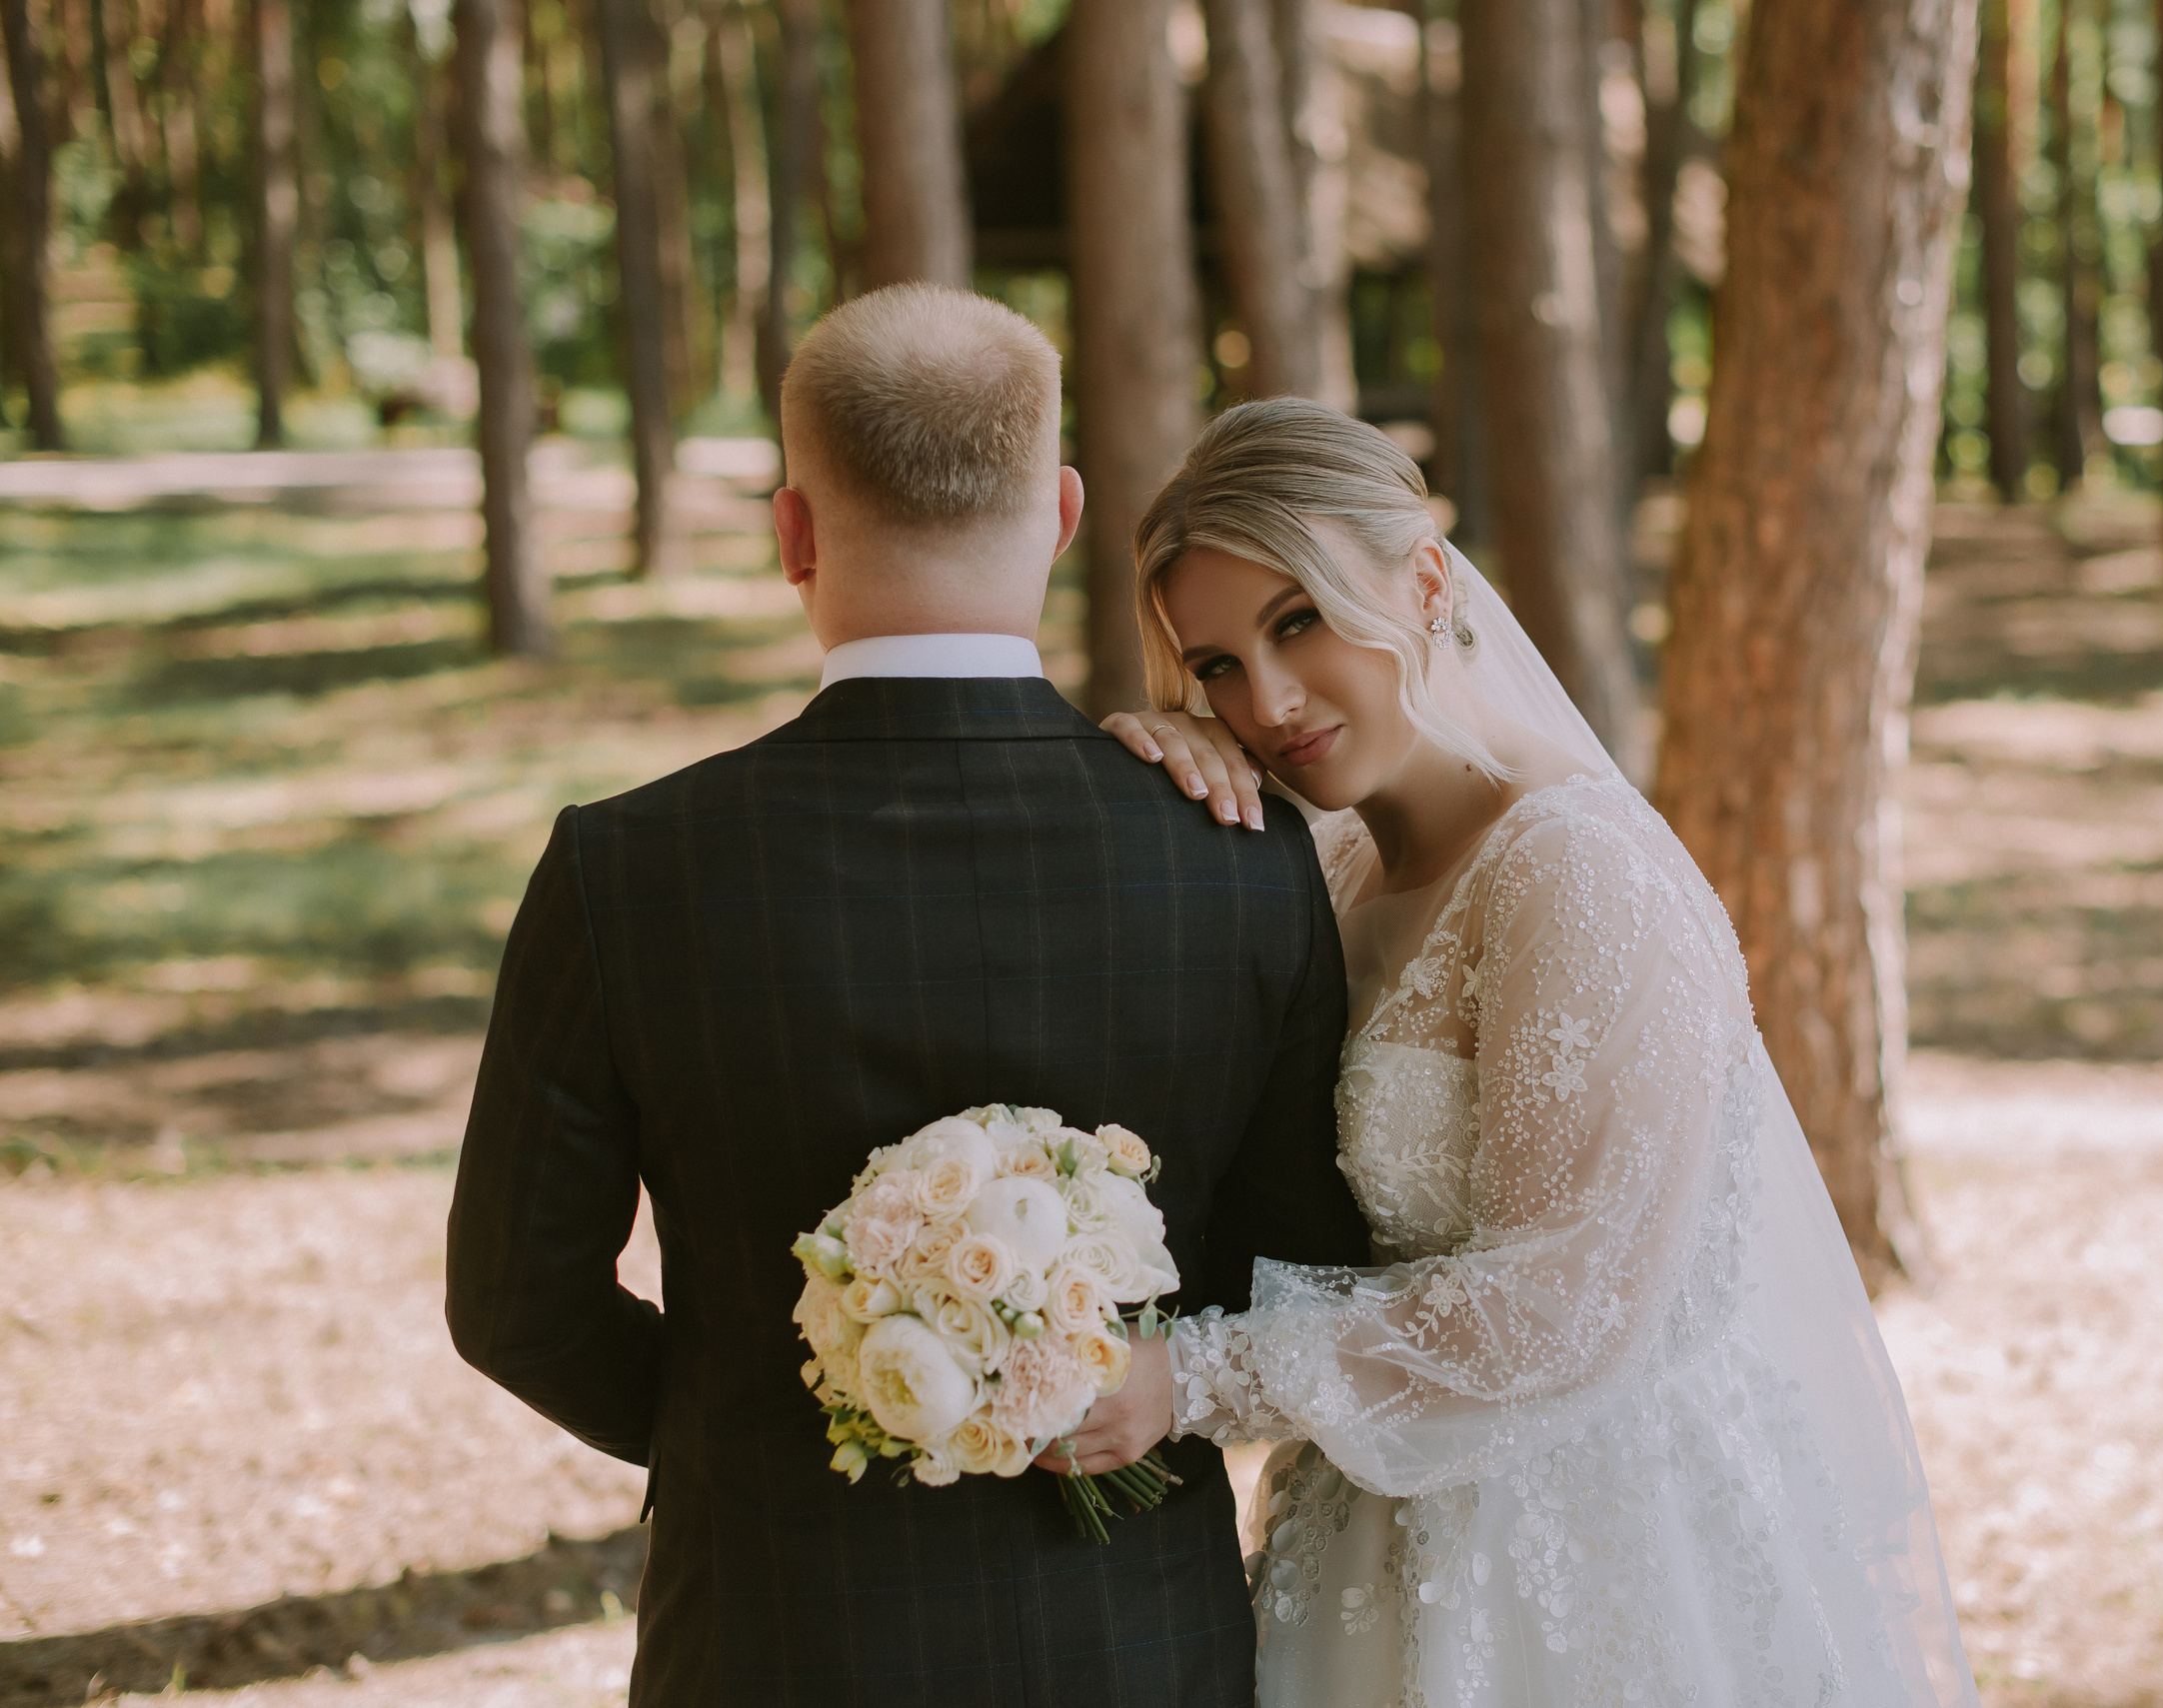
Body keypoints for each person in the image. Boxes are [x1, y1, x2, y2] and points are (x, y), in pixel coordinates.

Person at [444, 287, 1372, 1708]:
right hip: (1134, 1648)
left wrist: (761, 1433)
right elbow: (1299, 1269)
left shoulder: (625, 867)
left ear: (793, 534)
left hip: (770, 1631)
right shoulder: (1239, 859)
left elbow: (517, 1302)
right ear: (1061, 514)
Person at [1063, 398, 1982, 1706]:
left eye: (1298, 621)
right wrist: (1140, 795)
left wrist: (1192, 1374)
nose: (1264, 701)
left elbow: (1574, 1298)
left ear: (1426, 581)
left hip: (1586, 1556)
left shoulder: (1572, 866)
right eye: (1213, 666)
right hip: (1372, 1531)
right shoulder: (1323, 866)